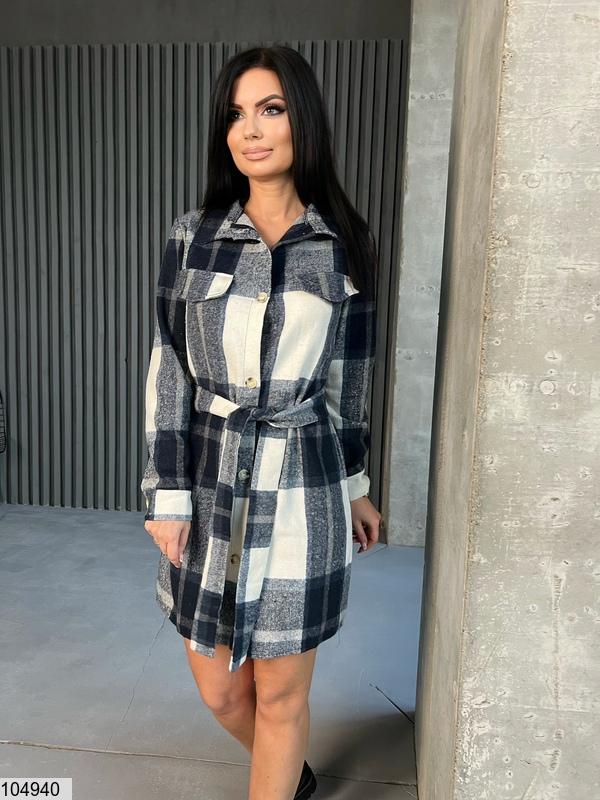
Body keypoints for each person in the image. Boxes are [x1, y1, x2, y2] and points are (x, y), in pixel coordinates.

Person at [141, 44, 383, 800]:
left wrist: (356, 486)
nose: (250, 130)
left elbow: (348, 384)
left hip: (305, 487)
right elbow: (169, 368)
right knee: (222, 691)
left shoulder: (344, 243)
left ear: (301, 119)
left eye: (270, 110)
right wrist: (167, 495)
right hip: (209, 483)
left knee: (281, 695)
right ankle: (291, 777)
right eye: (236, 114)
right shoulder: (194, 237)